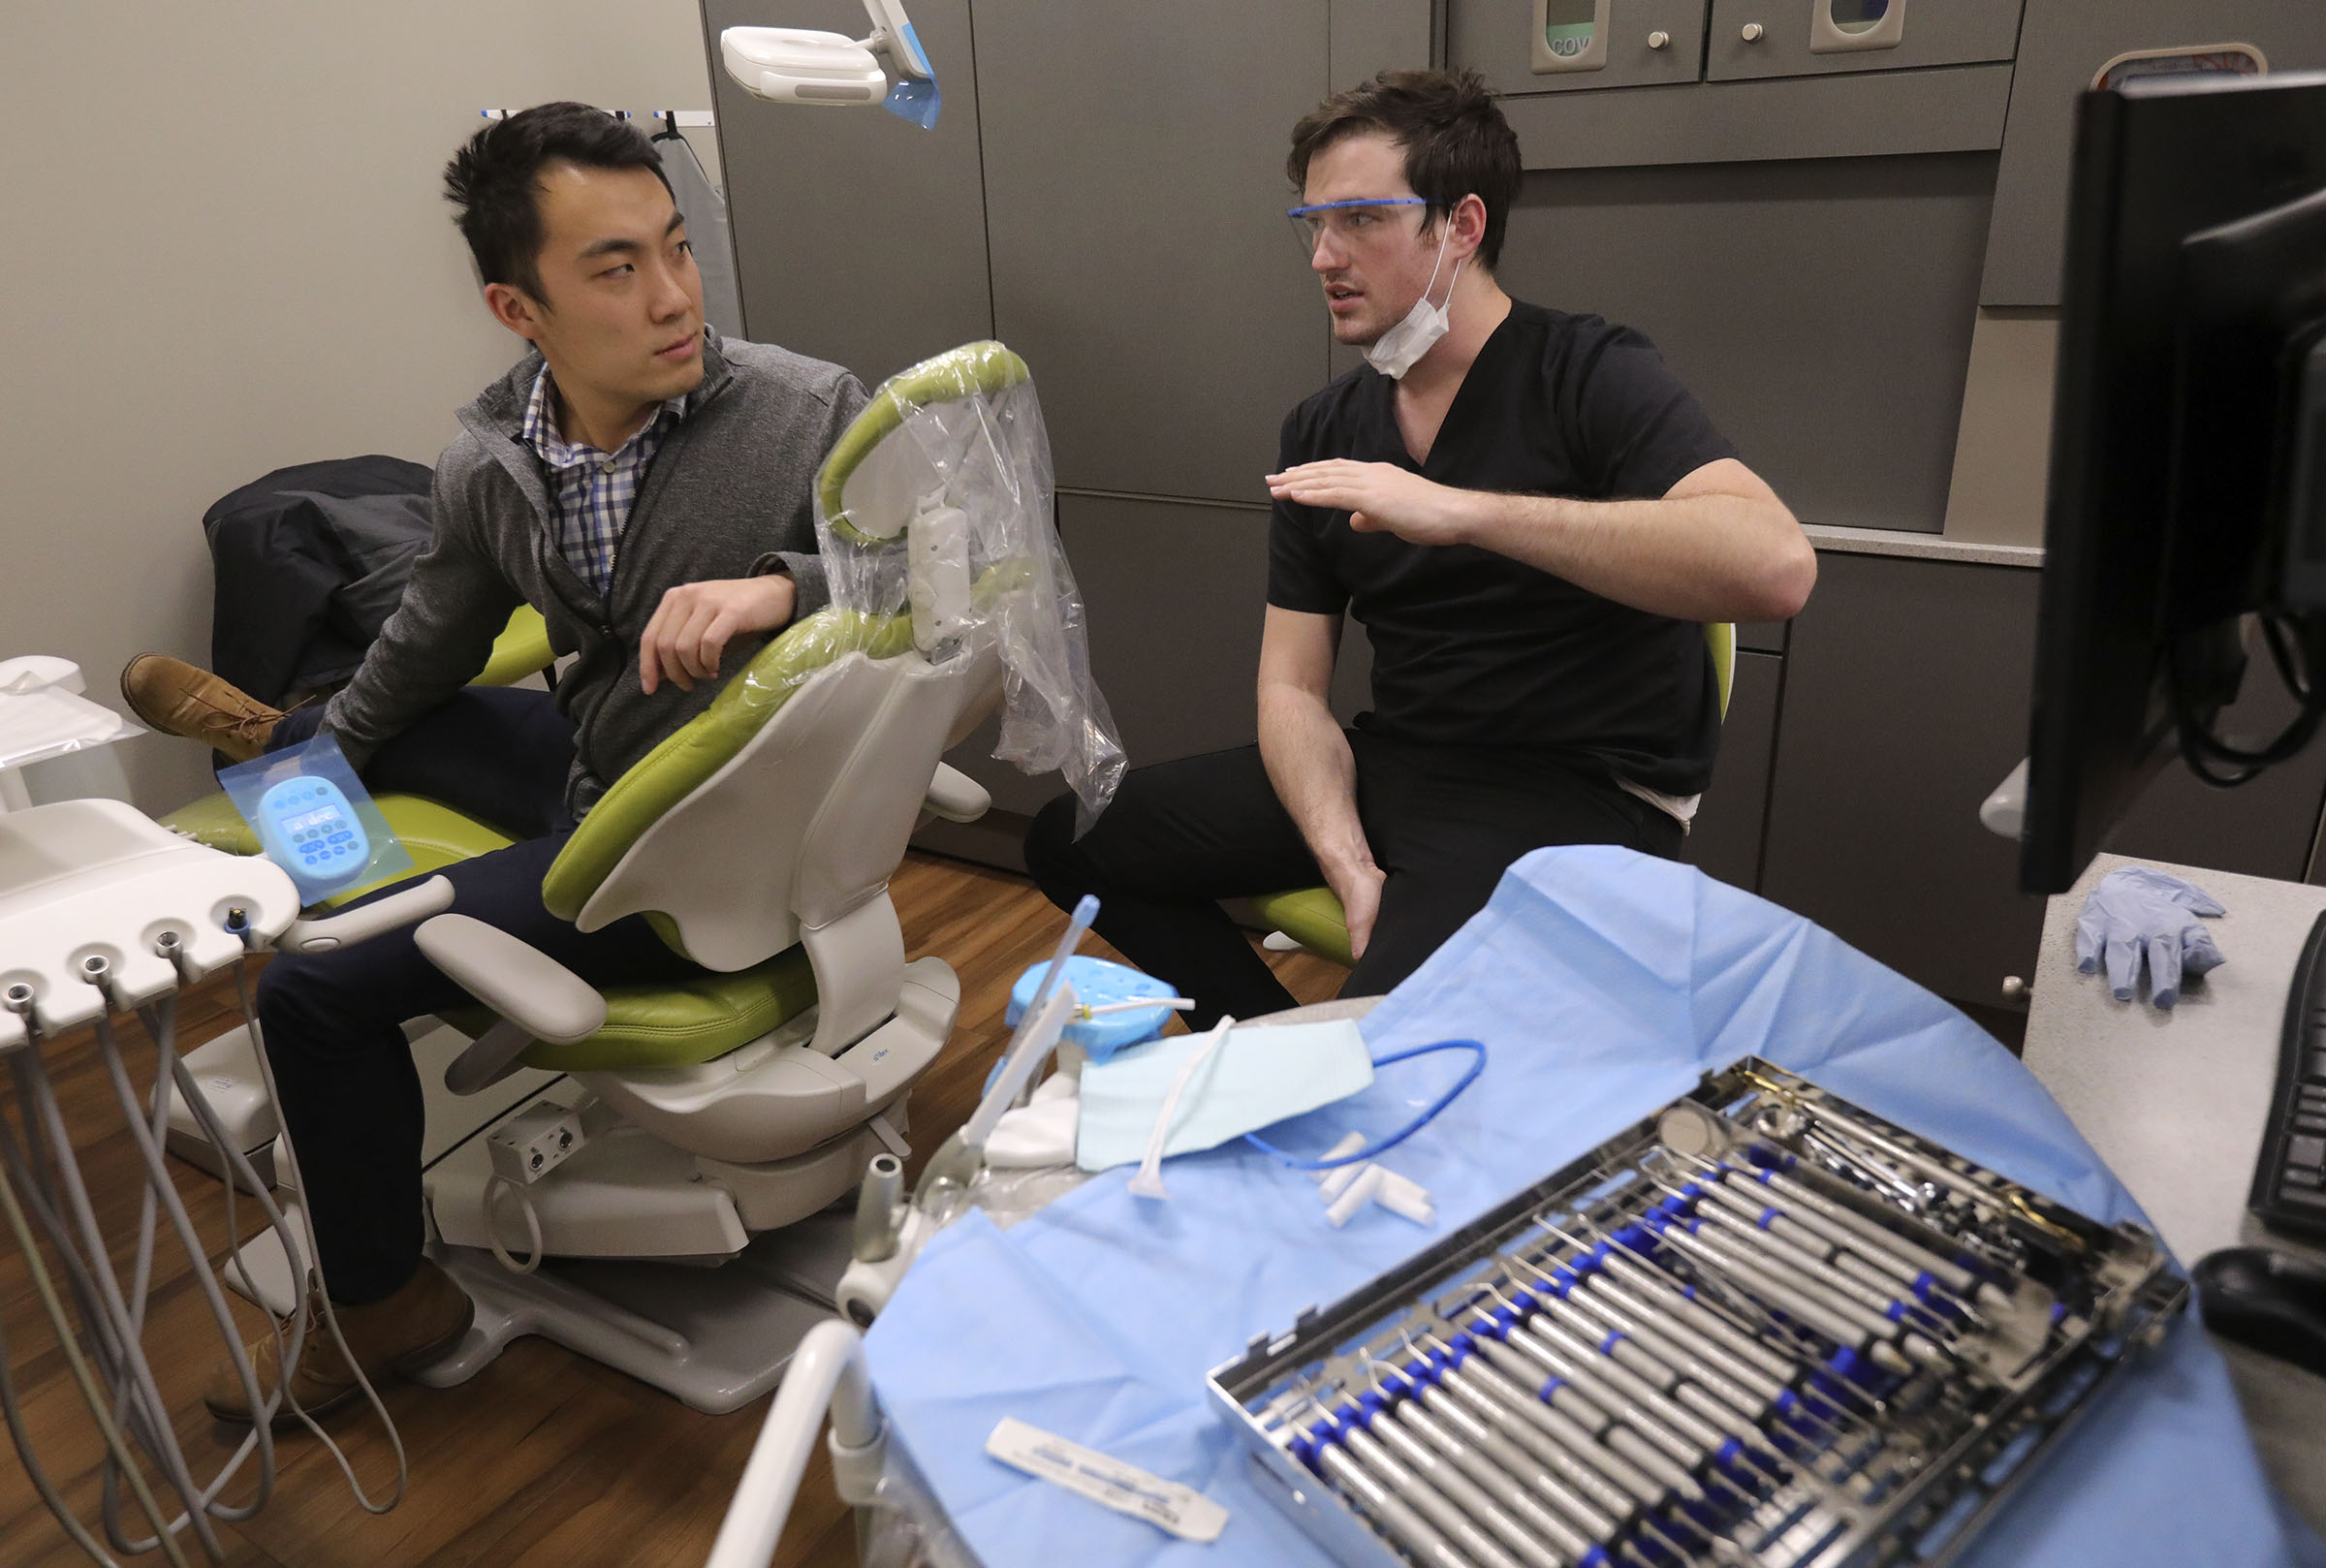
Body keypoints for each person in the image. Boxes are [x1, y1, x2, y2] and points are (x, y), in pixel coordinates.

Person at [118, 103, 868, 1423]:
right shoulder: (491, 461)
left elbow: (965, 587)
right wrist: (314, 778)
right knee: (379, 715)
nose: (675, 297)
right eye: (618, 268)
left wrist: (781, 588)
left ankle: (391, 1300)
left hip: (676, 864)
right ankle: (272, 734)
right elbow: (421, 645)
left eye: (677, 249)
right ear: (518, 309)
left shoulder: (803, 413)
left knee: (311, 1000)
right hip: (607, 766)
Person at [1023, 69, 1815, 1028]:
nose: (1324, 255)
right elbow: (1290, 689)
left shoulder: (1588, 371)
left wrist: (1463, 510)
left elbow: (1775, 567)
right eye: (1312, 223)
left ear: (1462, 226)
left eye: (1360, 219)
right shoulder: (1322, 428)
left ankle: (1321, 1073)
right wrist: (1346, 857)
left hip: (1575, 792)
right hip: (1403, 762)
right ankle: (1262, 1043)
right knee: (1074, 841)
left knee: (1390, 1051)